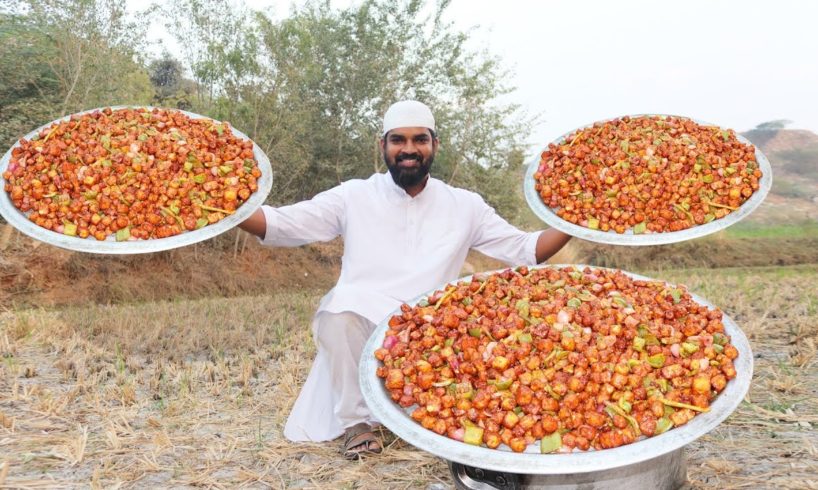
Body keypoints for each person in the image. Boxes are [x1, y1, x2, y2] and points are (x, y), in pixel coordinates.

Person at [239, 100, 572, 459]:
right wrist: (229, 213)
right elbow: (282, 225)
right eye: (398, 140)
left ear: (435, 145)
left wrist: (574, 218)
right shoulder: (353, 195)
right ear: (382, 145)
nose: (409, 149)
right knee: (338, 313)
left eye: (420, 140)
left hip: (436, 331)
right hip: (365, 324)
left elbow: (526, 250)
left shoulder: (465, 205)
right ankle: (357, 424)